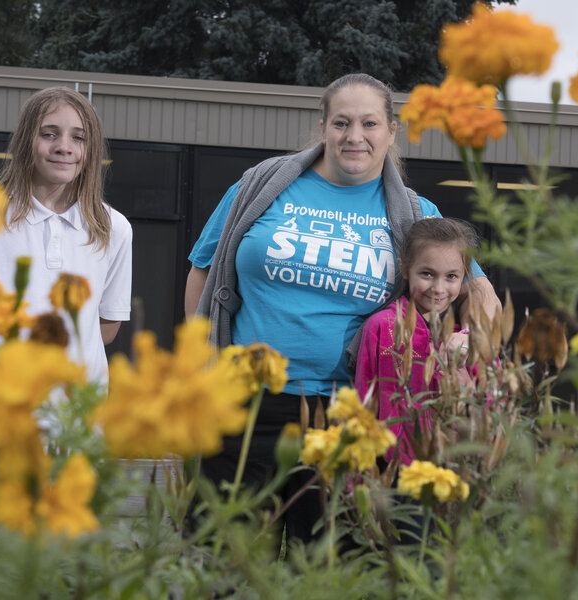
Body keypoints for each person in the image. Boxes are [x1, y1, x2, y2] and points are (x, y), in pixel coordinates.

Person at [184, 73, 499, 544]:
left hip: (351, 415)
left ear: (392, 132)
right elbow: (203, 274)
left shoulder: (415, 214)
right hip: (244, 408)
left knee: (332, 572)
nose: (355, 136)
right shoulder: (260, 187)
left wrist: (461, 350)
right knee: (222, 565)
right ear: (323, 127)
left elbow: (482, 297)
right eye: (342, 123)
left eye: (370, 124)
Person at [0, 87, 132, 388]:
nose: (64, 147)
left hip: (77, 413)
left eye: (78, 137)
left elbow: (107, 324)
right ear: (27, 141)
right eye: (49, 134)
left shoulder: (113, 227)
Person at [355, 217, 478, 468]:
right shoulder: (381, 327)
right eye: (427, 274)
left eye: (451, 276)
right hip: (395, 469)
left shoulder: (470, 337)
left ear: (464, 276)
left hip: (455, 468)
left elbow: (492, 403)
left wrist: (462, 373)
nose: (438, 288)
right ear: (404, 268)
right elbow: (363, 403)